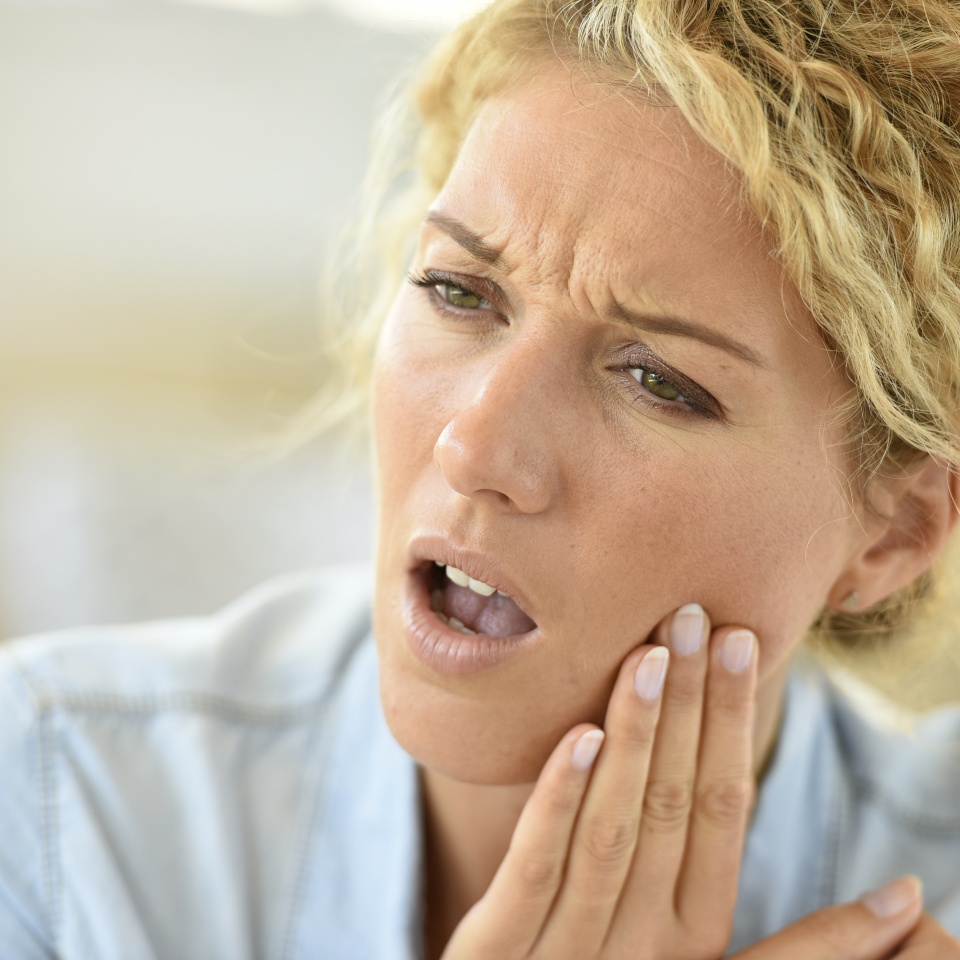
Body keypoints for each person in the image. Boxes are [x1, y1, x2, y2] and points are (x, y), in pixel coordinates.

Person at [1, 0, 959, 957]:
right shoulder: (54, 801)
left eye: (659, 382)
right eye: (460, 292)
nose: (476, 447)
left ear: (895, 535)